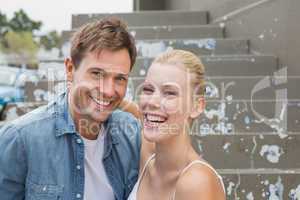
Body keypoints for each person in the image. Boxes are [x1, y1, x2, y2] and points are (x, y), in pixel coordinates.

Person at [0, 17, 141, 200]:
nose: (108, 90)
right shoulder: (20, 139)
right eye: (97, 73)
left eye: (120, 78)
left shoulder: (131, 134)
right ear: (69, 69)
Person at [124, 50, 226, 200]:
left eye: (170, 93)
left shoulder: (196, 182)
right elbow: (139, 111)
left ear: (196, 106)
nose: (151, 102)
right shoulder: (148, 156)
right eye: (148, 89)